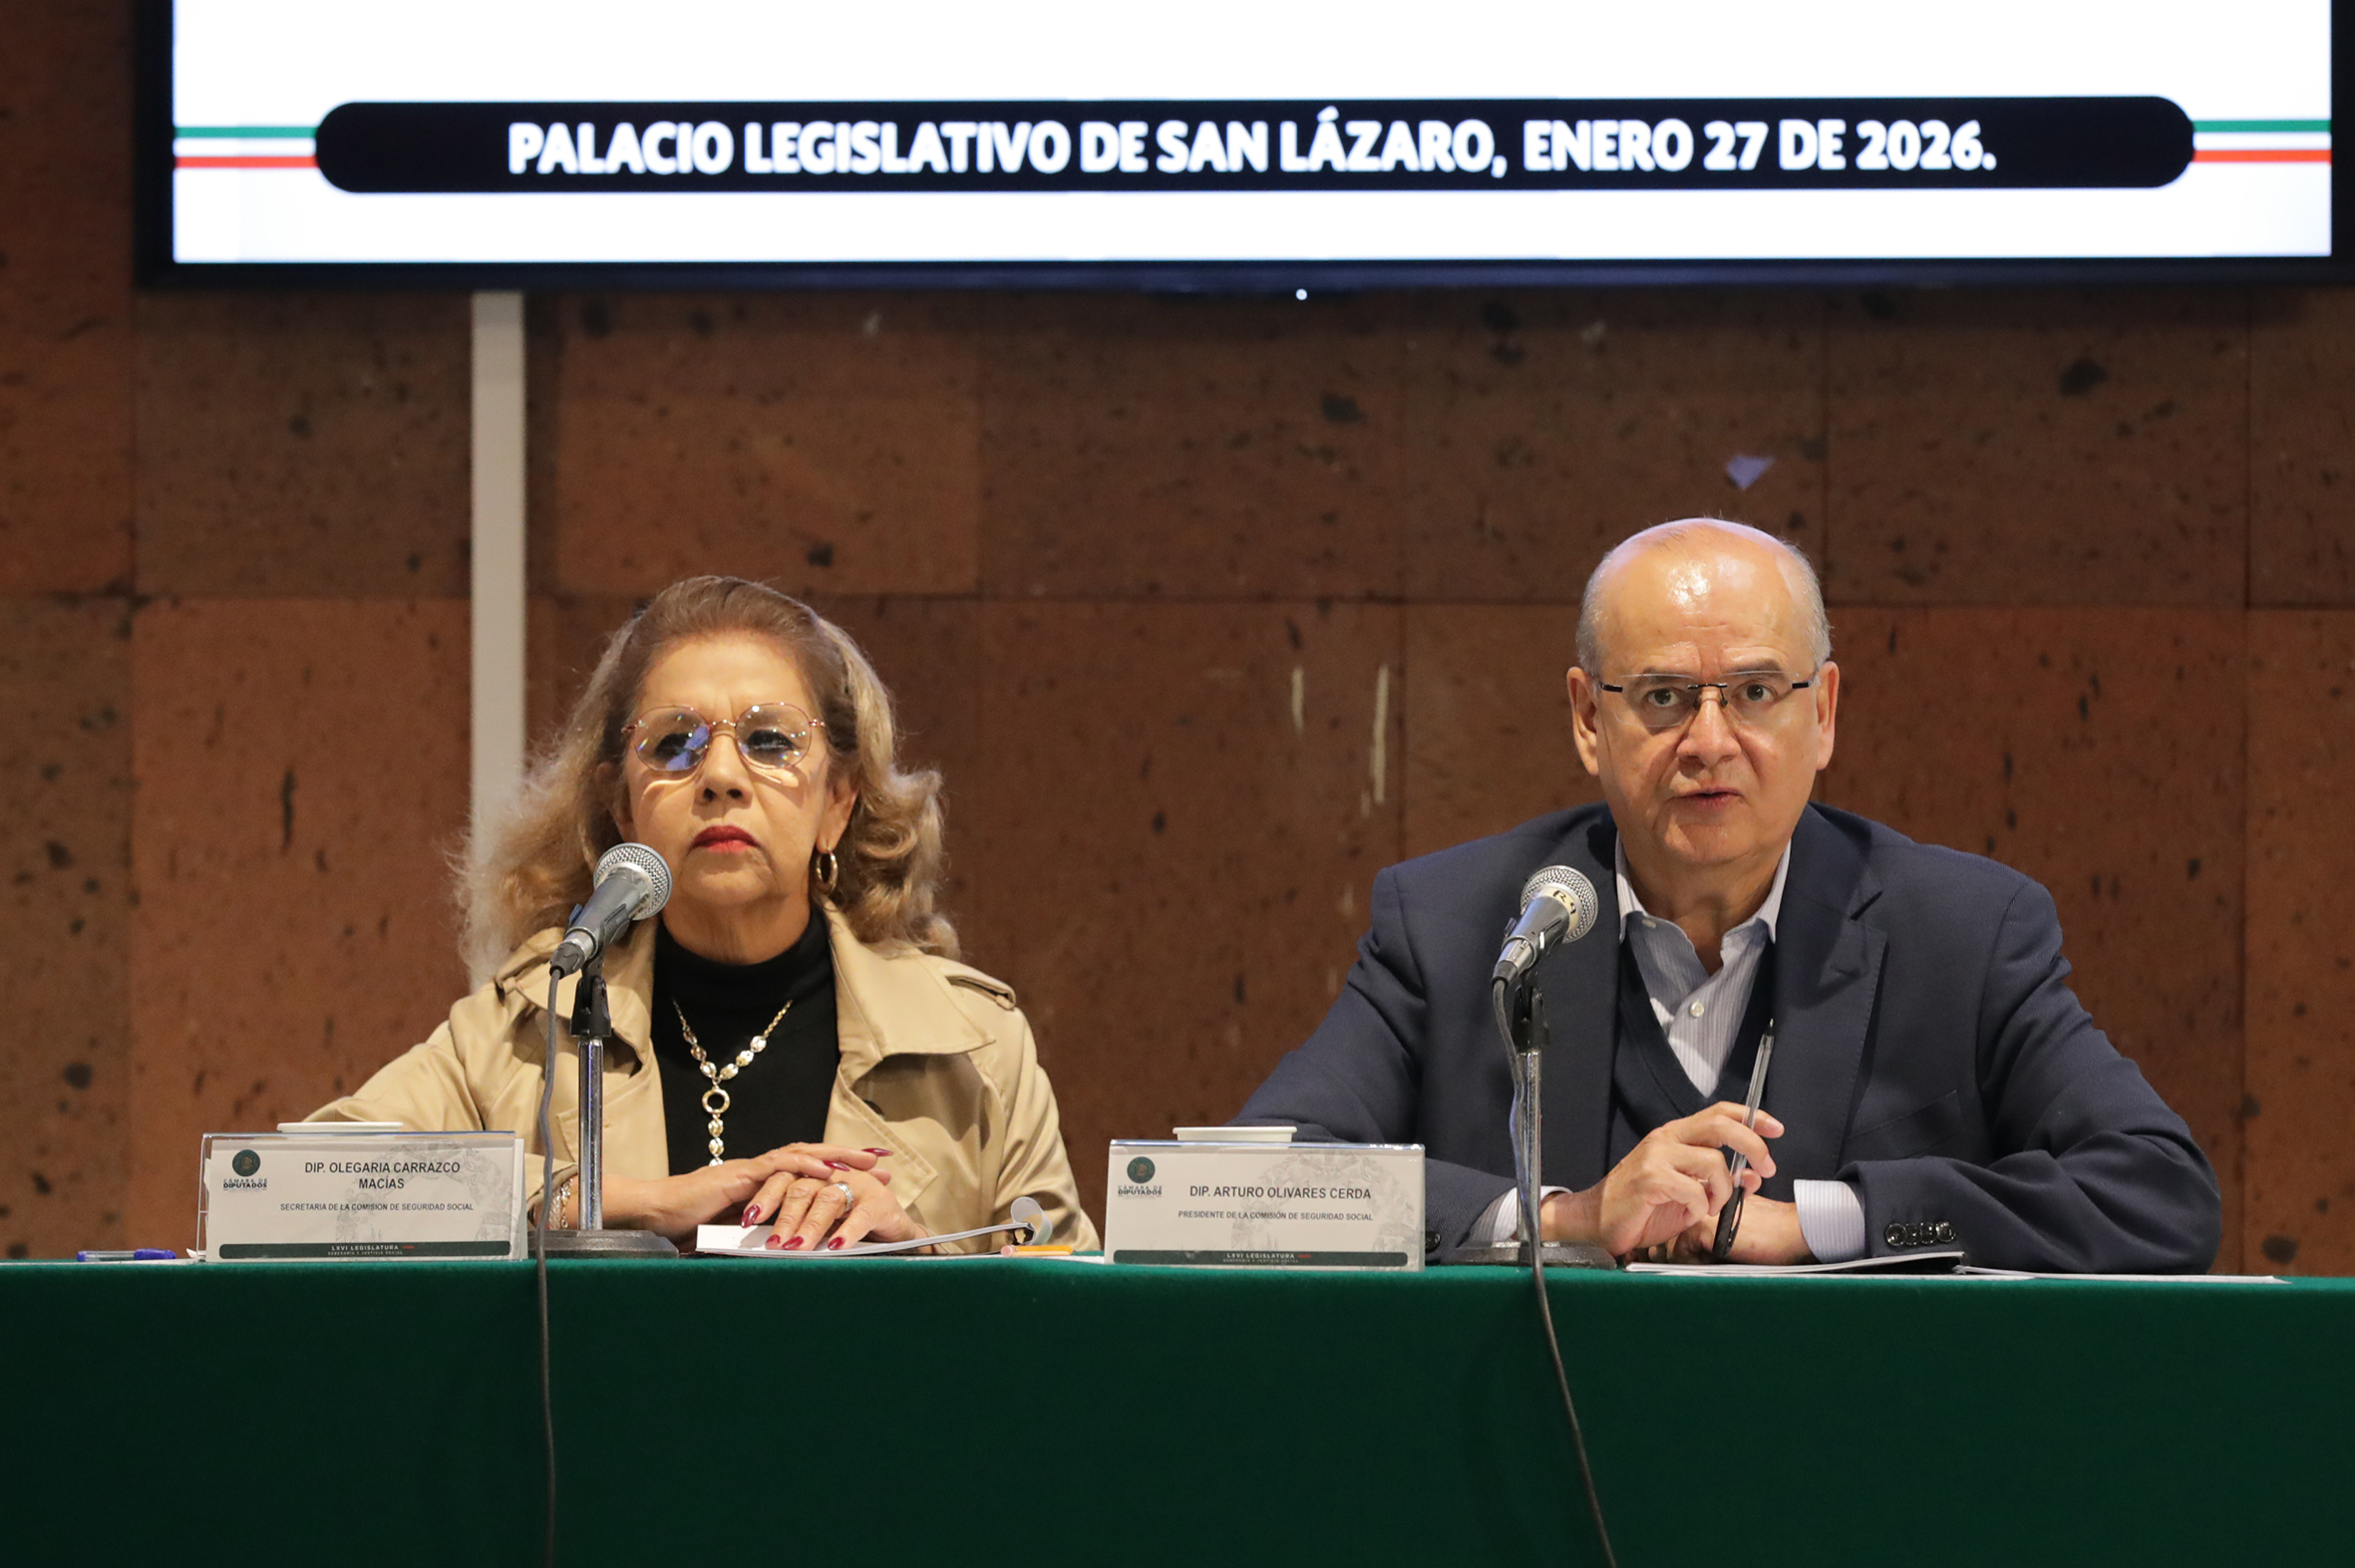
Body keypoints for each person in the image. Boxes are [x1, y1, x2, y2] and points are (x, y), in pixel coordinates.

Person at [1237, 518, 2220, 1271]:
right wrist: (1563, 1217)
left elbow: (2157, 1192)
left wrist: (1822, 1222)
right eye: (1663, 696)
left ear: (1821, 712)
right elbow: (1254, 1183)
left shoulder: (1960, 933)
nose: (1709, 743)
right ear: (1587, 718)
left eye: (1754, 692)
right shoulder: (1459, 926)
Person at [309, 576, 1098, 1253]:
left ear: (838, 801)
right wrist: (609, 1203)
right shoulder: (523, 1031)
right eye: (673, 744)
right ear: (623, 808)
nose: (720, 774)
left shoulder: (978, 1050)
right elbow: (306, 1195)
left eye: (770, 740)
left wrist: (918, 1254)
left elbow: (1074, 1329)